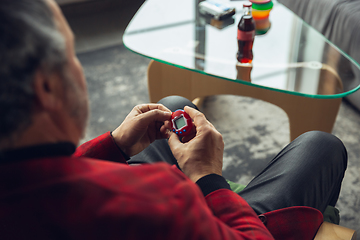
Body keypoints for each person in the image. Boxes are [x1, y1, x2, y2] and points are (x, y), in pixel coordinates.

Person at [0, 0, 347, 239]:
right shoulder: (158, 198)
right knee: (323, 146)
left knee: (173, 104)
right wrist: (208, 178)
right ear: (46, 88)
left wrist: (114, 145)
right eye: (71, 55)